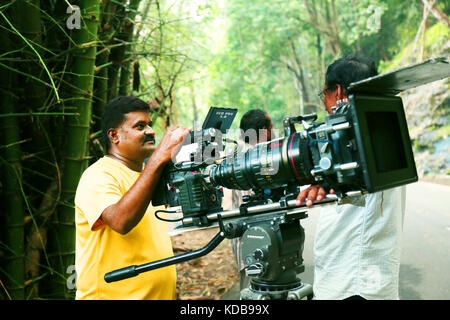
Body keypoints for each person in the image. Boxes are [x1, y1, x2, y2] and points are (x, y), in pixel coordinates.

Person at [296, 56, 406, 300]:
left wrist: (321, 179)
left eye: (324, 93)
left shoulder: (355, 135)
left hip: (352, 285)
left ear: (337, 92)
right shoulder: (385, 123)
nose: (325, 102)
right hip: (373, 280)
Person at [74, 96, 191, 299]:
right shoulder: (98, 175)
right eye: (140, 126)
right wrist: (159, 157)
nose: (151, 131)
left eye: (150, 125)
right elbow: (120, 221)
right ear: (114, 136)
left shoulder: (147, 175)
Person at [223, 109, 273, 291]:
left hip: (243, 238)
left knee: (250, 288)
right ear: (264, 130)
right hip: (257, 238)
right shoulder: (259, 157)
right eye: (271, 128)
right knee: (259, 289)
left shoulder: (237, 155)